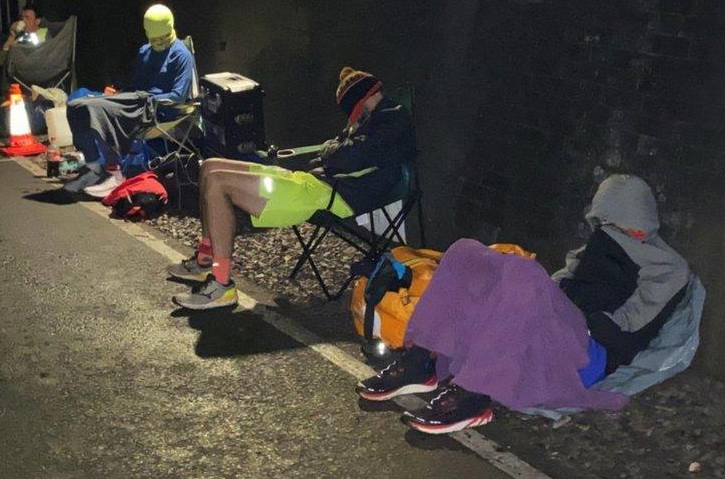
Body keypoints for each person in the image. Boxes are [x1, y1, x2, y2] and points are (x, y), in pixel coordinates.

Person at [356, 174, 691, 434]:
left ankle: (474, 397)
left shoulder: (667, 266)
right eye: (604, 222)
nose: (606, 230)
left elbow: (634, 325)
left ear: (637, 217)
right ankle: (423, 361)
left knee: (523, 272)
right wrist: (535, 301)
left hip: (588, 350)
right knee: (465, 253)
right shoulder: (598, 244)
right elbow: (562, 281)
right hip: (558, 328)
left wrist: (573, 316)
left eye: (614, 221)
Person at [168, 67, 416, 310]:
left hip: (327, 196)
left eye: (354, 109)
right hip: (311, 185)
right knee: (209, 168)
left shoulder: (392, 118)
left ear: (364, 98)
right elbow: (339, 151)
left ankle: (221, 284)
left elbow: (344, 155)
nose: (353, 117)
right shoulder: (372, 121)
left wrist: (331, 152)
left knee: (219, 183)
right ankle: (206, 257)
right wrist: (333, 152)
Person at [63, 4, 195, 196]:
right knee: (78, 101)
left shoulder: (181, 55)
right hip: (136, 100)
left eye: (162, 38)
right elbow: (135, 84)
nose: (158, 43)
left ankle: (115, 173)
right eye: (154, 38)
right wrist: (118, 93)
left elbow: (178, 96)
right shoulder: (145, 51)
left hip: (156, 108)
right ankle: (94, 164)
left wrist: (145, 99)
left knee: (101, 111)